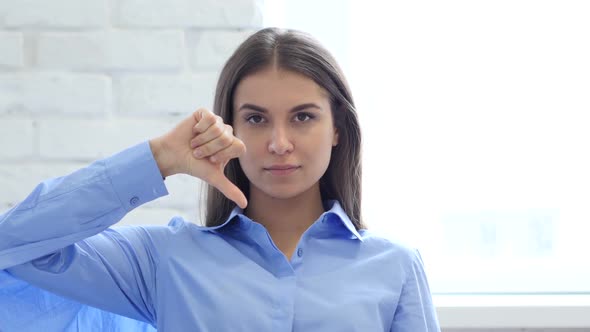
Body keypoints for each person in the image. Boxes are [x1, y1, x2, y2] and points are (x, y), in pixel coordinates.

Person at [0, 27, 440, 331]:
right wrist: (158, 160)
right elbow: (14, 245)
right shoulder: (166, 261)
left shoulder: (395, 267)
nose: (279, 142)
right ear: (229, 129)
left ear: (338, 129)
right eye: (256, 118)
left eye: (303, 117)